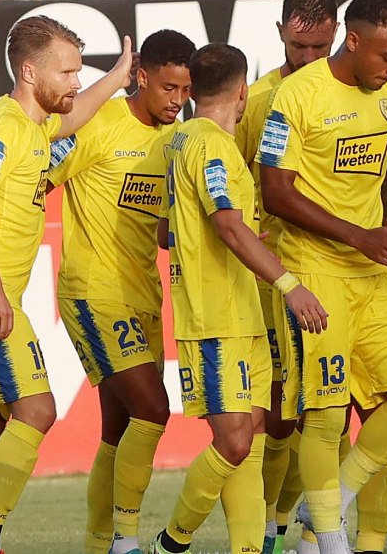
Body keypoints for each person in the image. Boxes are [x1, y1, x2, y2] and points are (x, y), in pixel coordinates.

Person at [260, 0, 387, 554]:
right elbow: (276, 193)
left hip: (374, 268)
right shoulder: (297, 95)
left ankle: (330, 501)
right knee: (324, 416)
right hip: (315, 270)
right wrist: (358, 236)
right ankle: (328, 538)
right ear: (353, 42)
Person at [0, 14, 133, 554]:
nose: (76, 81)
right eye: (67, 72)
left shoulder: (36, 125)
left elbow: (76, 115)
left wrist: (117, 77)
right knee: (37, 410)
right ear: (29, 72)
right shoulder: (2, 128)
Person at [149, 43, 327, 554]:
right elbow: (226, 224)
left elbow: (168, 231)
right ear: (243, 90)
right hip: (214, 318)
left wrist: (243, 235)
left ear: (192, 91)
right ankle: (171, 542)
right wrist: (289, 285)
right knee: (234, 442)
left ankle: (248, 548)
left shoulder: (179, 141)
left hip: (241, 314)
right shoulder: (213, 146)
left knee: (252, 433)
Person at [47, 29, 196, 554]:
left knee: (118, 430)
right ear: (142, 76)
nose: (177, 100)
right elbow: (38, 175)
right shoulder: (98, 122)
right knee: (153, 410)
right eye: (169, 88)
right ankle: (126, 541)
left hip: (143, 295)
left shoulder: (179, 140)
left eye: (186, 90)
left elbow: (163, 231)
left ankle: (98, 545)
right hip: (94, 292)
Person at [232, 0, 340, 554]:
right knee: (278, 413)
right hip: (273, 278)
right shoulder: (259, 100)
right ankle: (271, 531)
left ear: (338, 36)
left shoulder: (357, 91)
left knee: (330, 410)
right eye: (300, 47)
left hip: (341, 272)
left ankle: (305, 526)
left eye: (321, 46)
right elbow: (232, 182)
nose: (311, 58)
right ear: (280, 34)